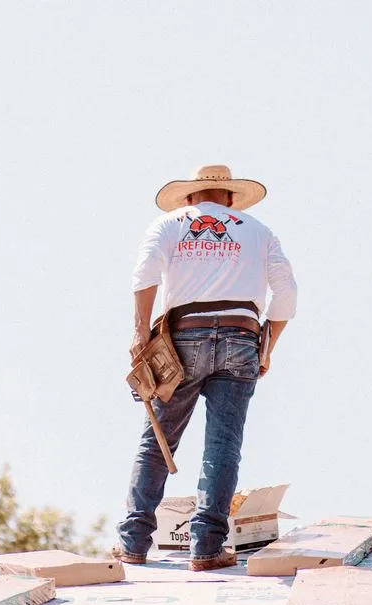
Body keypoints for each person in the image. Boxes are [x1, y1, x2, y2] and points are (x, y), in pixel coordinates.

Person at [113, 164, 297, 571]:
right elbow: (286, 293)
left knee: (158, 440)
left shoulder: (168, 225)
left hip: (182, 339)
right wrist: (267, 346)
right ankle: (207, 548)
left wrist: (140, 333)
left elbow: (144, 275)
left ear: (190, 198)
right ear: (230, 197)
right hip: (241, 336)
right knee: (223, 446)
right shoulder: (258, 230)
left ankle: (133, 543)